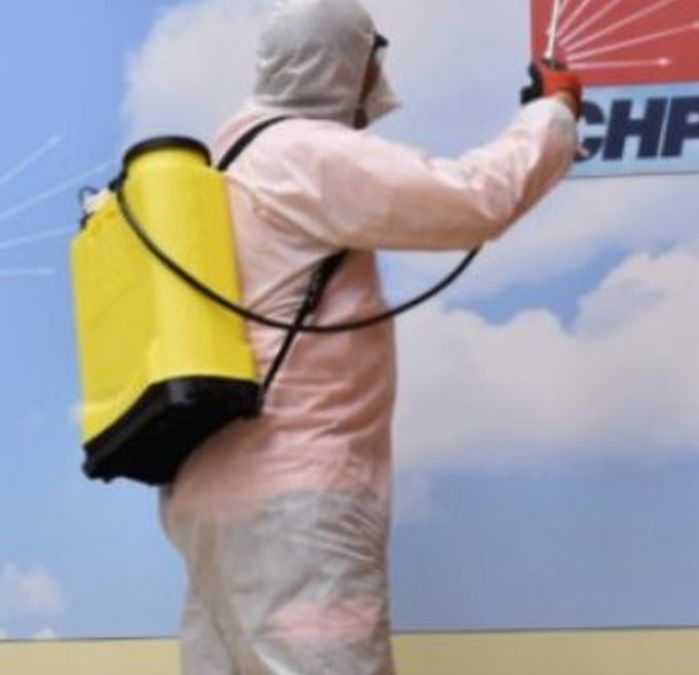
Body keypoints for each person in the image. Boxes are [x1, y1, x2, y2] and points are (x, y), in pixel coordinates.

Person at [158, 1, 582, 673]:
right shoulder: (303, 151)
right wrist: (551, 115)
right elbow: (473, 198)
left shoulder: (225, 154)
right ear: (347, 61)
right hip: (296, 490)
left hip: (206, 489)